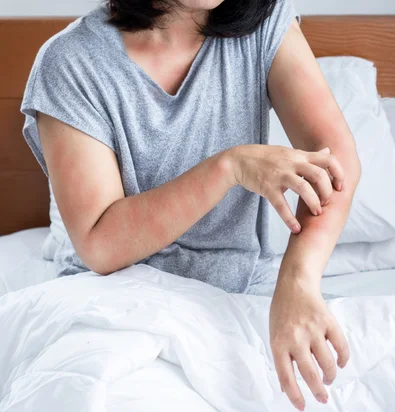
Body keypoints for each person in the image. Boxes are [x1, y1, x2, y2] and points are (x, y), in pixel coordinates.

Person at [21, 0, 361, 409]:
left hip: (239, 297)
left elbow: (335, 163)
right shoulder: (70, 62)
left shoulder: (264, 26)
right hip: (114, 301)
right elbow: (100, 243)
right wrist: (228, 167)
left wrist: (299, 282)